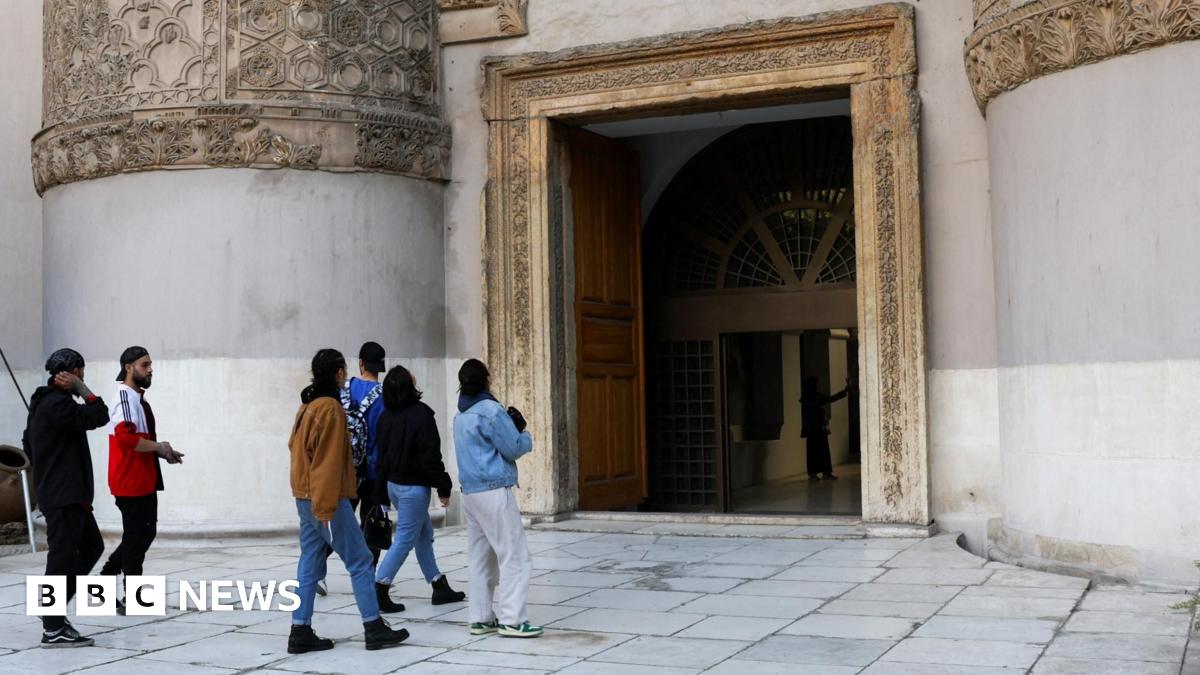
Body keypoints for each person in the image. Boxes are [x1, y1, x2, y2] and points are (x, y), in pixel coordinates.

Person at [287, 348, 409, 653]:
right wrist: (328, 508)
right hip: (325, 499)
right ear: (340, 373)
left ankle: (300, 630)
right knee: (361, 560)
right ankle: (373, 626)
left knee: (310, 562)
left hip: (305, 496)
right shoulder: (329, 409)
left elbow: (295, 449)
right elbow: (326, 463)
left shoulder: (308, 405)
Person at [22, 348, 108, 647]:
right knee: (61, 558)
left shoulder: (45, 404)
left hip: (64, 492)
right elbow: (99, 415)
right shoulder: (57, 405)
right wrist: (82, 390)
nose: (83, 377)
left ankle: (51, 610)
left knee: (92, 546)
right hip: (63, 494)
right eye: (80, 372)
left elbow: (27, 443)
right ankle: (52, 627)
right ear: (72, 372)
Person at [452, 358, 541, 638]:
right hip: (493, 490)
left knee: (481, 557)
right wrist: (524, 434)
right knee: (514, 555)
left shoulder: (461, 414)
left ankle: (480, 618)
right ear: (487, 378)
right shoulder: (491, 410)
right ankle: (513, 619)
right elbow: (513, 447)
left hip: (471, 493)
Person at [372, 365, 465, 613]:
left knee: (423, 536)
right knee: (404, 539)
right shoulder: (421, 415)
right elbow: (430, 457)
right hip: (413, 490)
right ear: (409, 385)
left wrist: (381, 492)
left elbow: (380, 459)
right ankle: (379, 588)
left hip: (394, 486)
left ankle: (438, 584)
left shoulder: (385, 417)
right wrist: (444, 487)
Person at [99, 346, 183, 615]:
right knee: (137, 538)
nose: (150, 370)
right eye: (145, 365)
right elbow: (126, 438)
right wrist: (159, 447)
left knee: (143, 534)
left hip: (143, 479)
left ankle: (107, 579)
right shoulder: (124, 397)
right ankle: (131, 598)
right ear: (128, 367)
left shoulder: (138, 399)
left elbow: (141, 440)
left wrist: (163, 452)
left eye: (149, 365)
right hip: (129, 481)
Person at [317, 341, 387, 597]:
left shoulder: (346, 389)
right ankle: (368, 576)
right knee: (372, 524)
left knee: (340, 526)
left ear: (360, 363)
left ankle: (317, 572)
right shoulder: (385, 395)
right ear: (381, 366)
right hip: (374, 471)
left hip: (348, 471)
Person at [800, 376, 851, 481]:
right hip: (818, 428)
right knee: (822, 450)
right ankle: (824, 473)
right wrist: (845, 391)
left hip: (812, 429)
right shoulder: (814, 397)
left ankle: (815, 473)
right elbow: (830, 399)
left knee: (814, 451)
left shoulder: (807, 397)